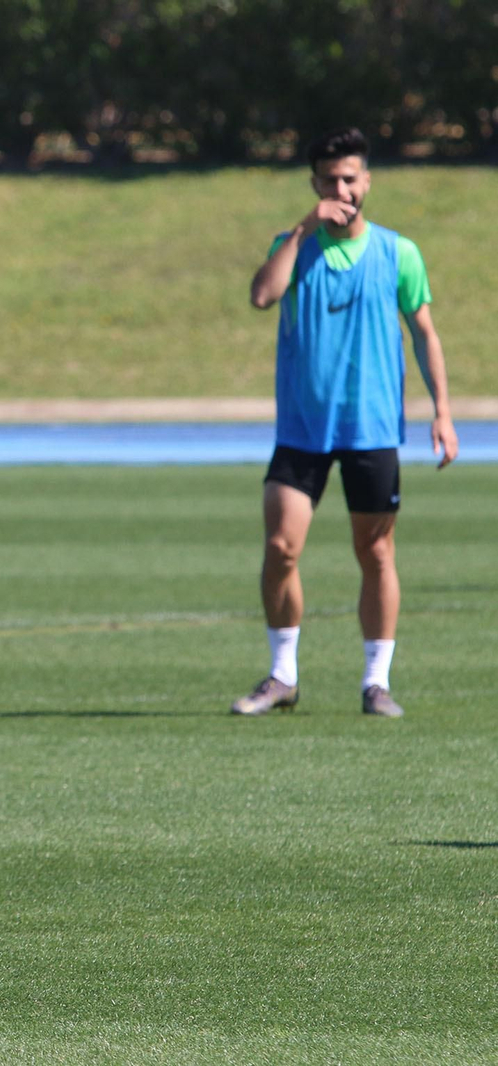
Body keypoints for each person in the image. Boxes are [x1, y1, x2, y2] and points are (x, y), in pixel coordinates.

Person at [235, 127, 458, 718]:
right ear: (314, 185)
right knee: (282, 546)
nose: (342, 189)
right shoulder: (295, 243)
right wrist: (303, 226)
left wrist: (442, 411)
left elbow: (424, 332)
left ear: (367, 182)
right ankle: (283, 675)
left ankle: (376, 683)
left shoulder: (398, 252)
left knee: (376, 553)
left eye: (350, 178)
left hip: (372, 428)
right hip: (303, 430)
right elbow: (262, 296)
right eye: (330, 180)